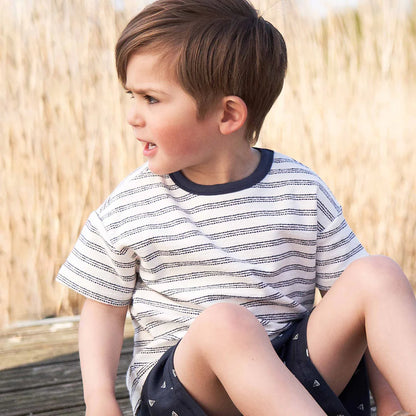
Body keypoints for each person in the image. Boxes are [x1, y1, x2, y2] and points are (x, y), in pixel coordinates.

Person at [56, 0, 416, 415]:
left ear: (228, 114)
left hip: (292, 383)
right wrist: (99, 402)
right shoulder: (133, 205)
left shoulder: (299, 188)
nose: (132, 116)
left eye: (151, 99)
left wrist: (386, 403)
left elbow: (361, 310)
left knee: (378, 274)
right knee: (226, 325)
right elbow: (102, 310)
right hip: (190, 395)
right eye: (131, 96)